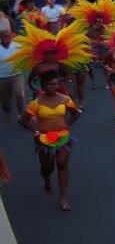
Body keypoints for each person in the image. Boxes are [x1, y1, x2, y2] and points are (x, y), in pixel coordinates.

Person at [21, 70, 80, 211]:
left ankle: (63, 198)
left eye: (57, 83)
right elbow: (24, 120)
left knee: (62, 163)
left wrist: (68, 124)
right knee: (47, 168)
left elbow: (76, 113)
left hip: (62, 136)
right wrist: (34, 130)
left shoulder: (65, 99)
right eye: (52, 84)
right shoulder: (36, 103)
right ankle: (47, 179)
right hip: (44, 139)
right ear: (44, 85)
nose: (56, 86)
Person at [0, 21, 25, 123]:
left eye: (8, 36)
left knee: (20, 95)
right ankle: (8, 113)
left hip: (16, 75)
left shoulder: (17, 45)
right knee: (5, 101)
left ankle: (21, 115)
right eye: (4, 37)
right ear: (0, 38)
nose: (7, 39)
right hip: (2, 78)